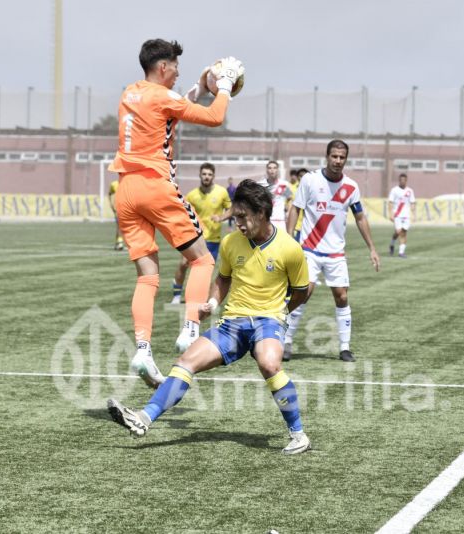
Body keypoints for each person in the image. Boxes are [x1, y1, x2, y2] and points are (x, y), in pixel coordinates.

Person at [107, 179, 312, 454]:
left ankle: (298, 434)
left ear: (261, 213)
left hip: (268, 320)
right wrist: (213, 302)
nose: (237, 223)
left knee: (270, 363)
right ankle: (143, 419)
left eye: (242, 217)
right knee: (185, 361)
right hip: (233, 323)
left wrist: (282, 312)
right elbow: (223, 279)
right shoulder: (230, 243)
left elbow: (302, 289)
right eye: (235, 216)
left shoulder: (290, 248)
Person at [109, 38, 244, 389]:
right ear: (163, 67)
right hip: (155, 185)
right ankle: (189, 331)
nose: (178, 73)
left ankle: (142, 349)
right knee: (201, 261)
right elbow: (215, 117)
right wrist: (224, 87)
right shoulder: (162, 95)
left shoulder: (130, 93)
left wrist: (198, 88)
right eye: (175, 67)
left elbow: (166, 117)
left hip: (125, 191)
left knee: (146, 278)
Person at [284, 140, 380, 362]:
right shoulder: (310, 180)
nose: (338, 161)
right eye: (334, 156)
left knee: (342, 296)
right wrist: (289, 240)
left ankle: (345, 347)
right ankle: (286, 341)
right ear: (327, 157)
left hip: (336, 253)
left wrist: (372, 248)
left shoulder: (351, 187)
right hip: (309, 249)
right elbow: (295, 209)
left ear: (346, 159)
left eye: (342, 157)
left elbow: (360, 217)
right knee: (303, 293)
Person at [170, 162, 232, 304]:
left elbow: (231, 209)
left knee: (206, 271)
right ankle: (177, 295)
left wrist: (221, 217)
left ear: (213, 176)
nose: (206, 177)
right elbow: (183, 214)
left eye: (209, 174)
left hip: (213, 240)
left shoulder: (222, 192)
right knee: (183, 264)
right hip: (195, 238)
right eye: (204, 174)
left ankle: (199, 298)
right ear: (200, 175)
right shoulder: (191, 196)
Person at [388, 173, 416, 258]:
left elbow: (412, 203)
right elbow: (390, 202)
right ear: (399, 181)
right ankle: (392, 243)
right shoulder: (394, 190)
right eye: (401, 180)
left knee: (403, 233)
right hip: (397, 215)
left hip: (406, 215)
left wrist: (413, 214)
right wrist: (391, 214)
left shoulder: (410, 191)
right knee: (398, 232)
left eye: (404, 180)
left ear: (406, 181)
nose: (402, 182)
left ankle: (401, 252)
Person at [259, 160, 292, 229]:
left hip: (280, 220)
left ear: (277, 170)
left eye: (274, 168)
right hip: (265, 220)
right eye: (270, 168)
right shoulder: (260, 185)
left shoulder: (284, 184)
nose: (272, 170)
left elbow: (290, 198)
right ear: (267, 170)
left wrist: (287, 211)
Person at [289, 167, 308, 242]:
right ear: (297, 177)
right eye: (300, 176)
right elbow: (286, 204)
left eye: (305, 176)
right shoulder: (290, 188)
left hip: (308, 227)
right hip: (296, 226)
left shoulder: (313, 190)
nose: (303, 178)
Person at [108, 179, 125, 250]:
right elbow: (109, 194)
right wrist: (111, 205)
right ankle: (119, 242)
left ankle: (118, 242)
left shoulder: (128, 183)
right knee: (119, 225)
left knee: (121, 226)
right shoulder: (114, 184)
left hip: (127, 207)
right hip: (118, 208)